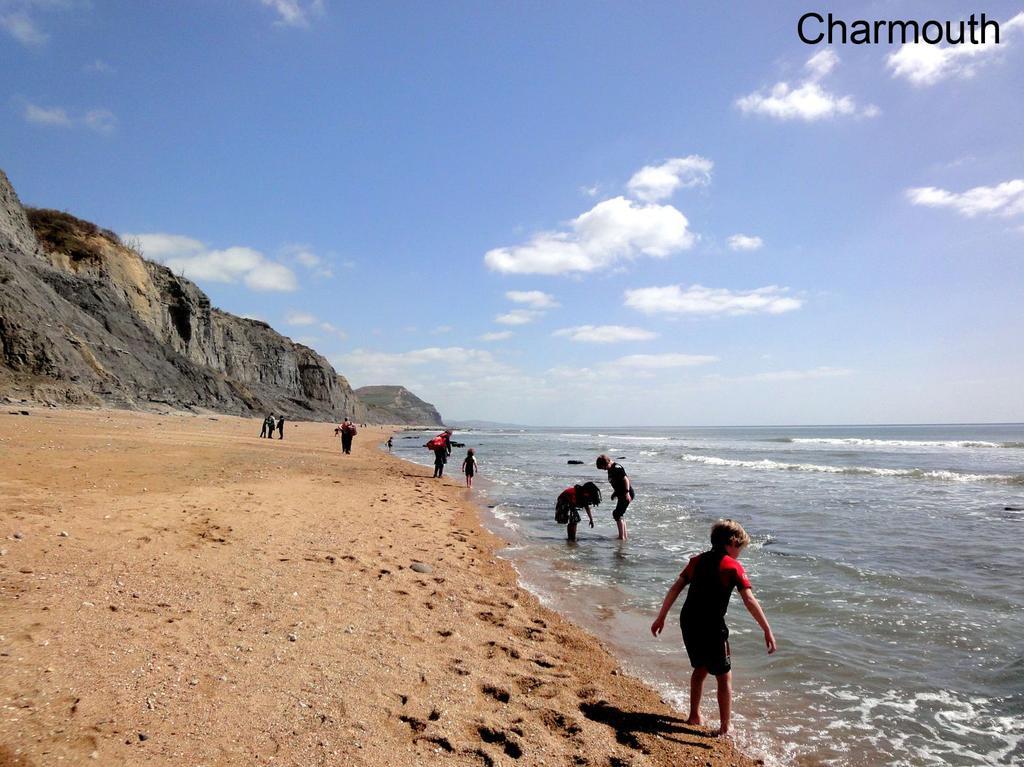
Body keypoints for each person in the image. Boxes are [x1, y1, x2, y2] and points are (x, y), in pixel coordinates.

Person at [650, 519, 776, 738]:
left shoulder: (696, 561)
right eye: (741, 548)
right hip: (712, 626)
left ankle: (694, 716)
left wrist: (661, 617)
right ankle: (726, 727)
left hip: (688, 622)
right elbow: (749, 600)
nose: (740, 553)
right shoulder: (732, 566)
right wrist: (767, 629)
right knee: (724, 677)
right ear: (733, 542)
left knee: (700, 668)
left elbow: (675, 588)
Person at [596, 454, 634, 540]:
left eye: (604, 467)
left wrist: (627, 493)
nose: (604, 469)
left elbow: (626, 480)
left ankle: (622, 537)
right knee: (619, 514)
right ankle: (624, 536)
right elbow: (617, 483)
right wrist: (615, 493)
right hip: (621, 494)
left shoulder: (617, 468)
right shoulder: (610, 469)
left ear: (607, 462)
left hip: (626, 493)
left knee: (617, 514)